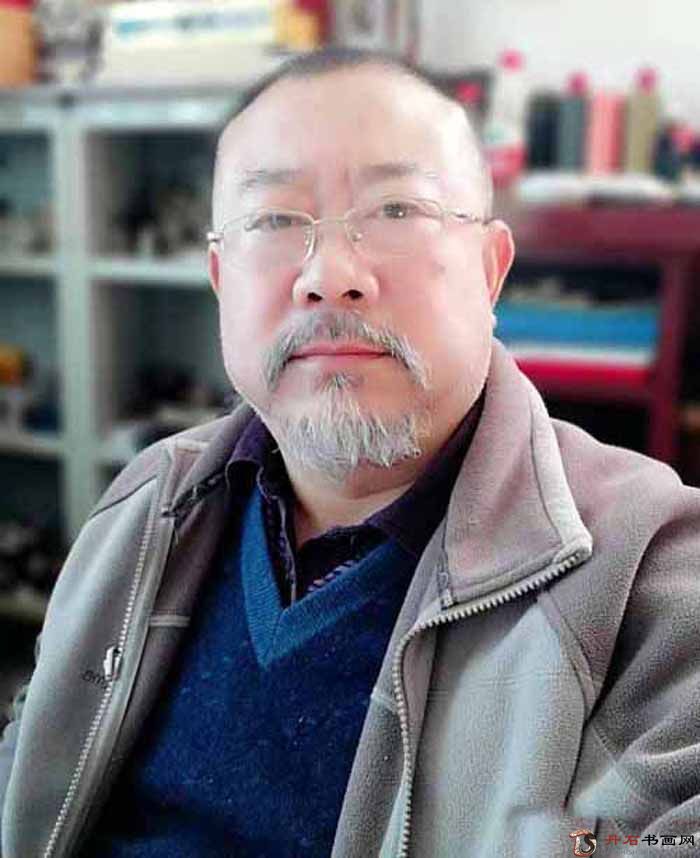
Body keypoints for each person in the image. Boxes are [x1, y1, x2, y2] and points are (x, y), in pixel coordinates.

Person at [2, 47, 700, 858]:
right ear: (221, 278)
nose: (330, 276)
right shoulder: (145, 505)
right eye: (275, 221)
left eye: (396, 210)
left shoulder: (649, 580)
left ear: (491, 269)